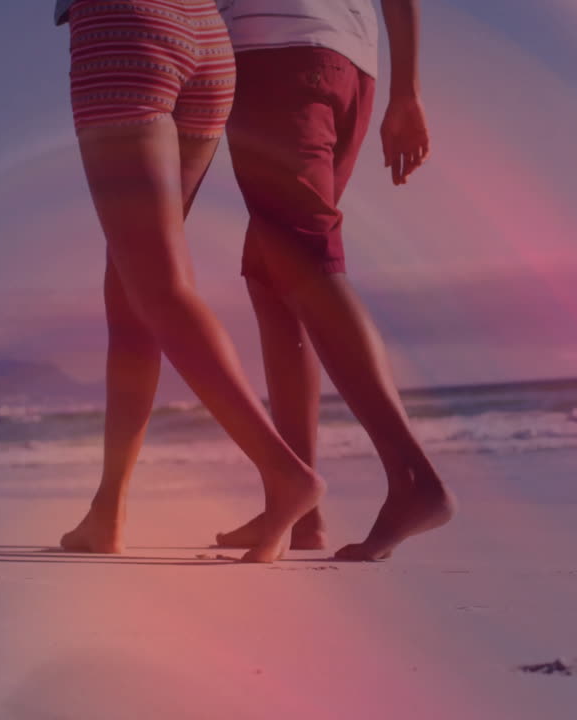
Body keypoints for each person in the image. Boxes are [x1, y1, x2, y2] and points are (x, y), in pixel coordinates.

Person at [52, 0, 323, 563]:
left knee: (158, 286)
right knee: (132, 292)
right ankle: (108, 511)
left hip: (123, 29)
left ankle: (283, 474)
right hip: (205, 35)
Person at [212, 0, 455, 561]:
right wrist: (404, 90)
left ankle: (414, 478)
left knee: (304, 257)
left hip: (277, 55)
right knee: (274, 275)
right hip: (349, 65)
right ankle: (297, 506)